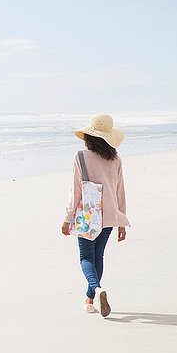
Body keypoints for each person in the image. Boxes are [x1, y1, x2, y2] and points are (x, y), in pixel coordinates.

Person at [61, 114, 131, 317]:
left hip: (88, 216)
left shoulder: (81, 157)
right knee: (98, 256)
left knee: (86, 257)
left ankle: (96, 289)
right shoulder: (115, 158)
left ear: (89, 137)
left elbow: (75, 192)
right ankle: (90, 299)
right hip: (109, 216)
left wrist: (67, 219)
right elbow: (120, 190)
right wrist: (121, 221)